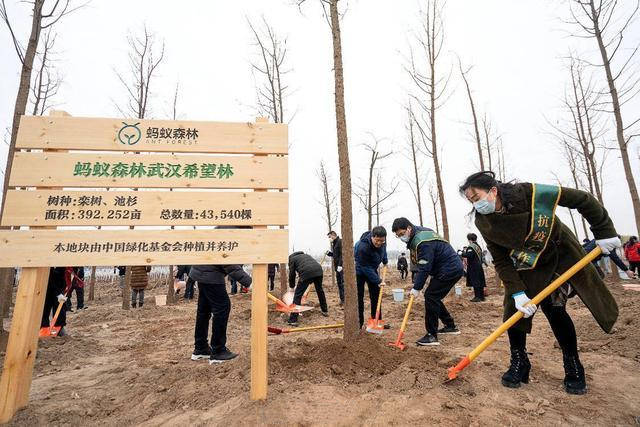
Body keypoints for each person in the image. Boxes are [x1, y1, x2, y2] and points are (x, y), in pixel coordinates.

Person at [460, 171, 620, 395]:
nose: (475, 204)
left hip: (558, 255)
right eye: (471, 201)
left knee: (554, 308)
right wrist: (517, 293)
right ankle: (520, 361)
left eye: (476, 198)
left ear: (493, 191)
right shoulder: (484, 222)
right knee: (513, 312)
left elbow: (582, 199)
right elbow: (501, 259)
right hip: (527, 263)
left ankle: (573, 364)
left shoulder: (529, 194)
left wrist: (604, 231)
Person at [391, 218, 464, 346]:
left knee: (431, 296)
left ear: (408, 228)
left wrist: (417, 287)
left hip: (449, 269)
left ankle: (432, 336)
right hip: (449, 268)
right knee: (433, 296)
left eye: (402, 234)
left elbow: (424, 266)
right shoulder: (421, 233)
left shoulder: (422, 241)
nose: (401, 237)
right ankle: (450, 325)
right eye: (398, 236)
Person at [189, 262, 252, 363]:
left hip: (201, 272)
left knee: (204, 310)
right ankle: (218, 351)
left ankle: (201, 348)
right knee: (222, 308)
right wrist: (249, 282)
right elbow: (228, 262)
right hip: (211, 275)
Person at [354, 226, 389, 329]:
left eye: (382, 241)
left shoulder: (382, 242)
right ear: (372, 237)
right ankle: (358, 324)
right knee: (359, 298)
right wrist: (378, 280)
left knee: (376, 296)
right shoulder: (362, 247)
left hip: (372, 269)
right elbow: (365, 267)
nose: (379, 243)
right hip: (360, 271)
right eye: (377, 240)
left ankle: (376, 323)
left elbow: (383, 250)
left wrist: (385, 260)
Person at [287, 251, 329, 326]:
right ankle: (325, 310)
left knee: (297, 295)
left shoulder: (292, 259)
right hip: (319, 270)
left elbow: (292, 274)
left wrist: (292, 286)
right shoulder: (306, 255)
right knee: (320, 290)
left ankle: (293, 319)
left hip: (307, 272)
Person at [41, 267, 71, 337]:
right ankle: (43, 326)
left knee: (60, 303)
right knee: (45, 304)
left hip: (60, 278)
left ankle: (59, 327)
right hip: (45, 277)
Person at [461, 234, 487, 302]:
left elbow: (469, 255)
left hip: (473, 267)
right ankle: (481, 297)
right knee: (480, 281)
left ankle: (477, 297)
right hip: (479, 266)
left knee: (476, 282)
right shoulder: (478, 246)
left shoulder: (471, 247)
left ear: (469, 239)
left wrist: (461, 253)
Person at [326, 231, 345, 305]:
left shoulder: (340, 242)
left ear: (334, 235)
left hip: (341, 267)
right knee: (339, 284)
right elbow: (335, 255)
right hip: (337, 268)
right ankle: (342, 300)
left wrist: (340, 265)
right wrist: (330, 254)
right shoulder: (334, 243)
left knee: (343, 284)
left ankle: (345, 300)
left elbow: (342, 254)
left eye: (330, 237)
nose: (329, 239)